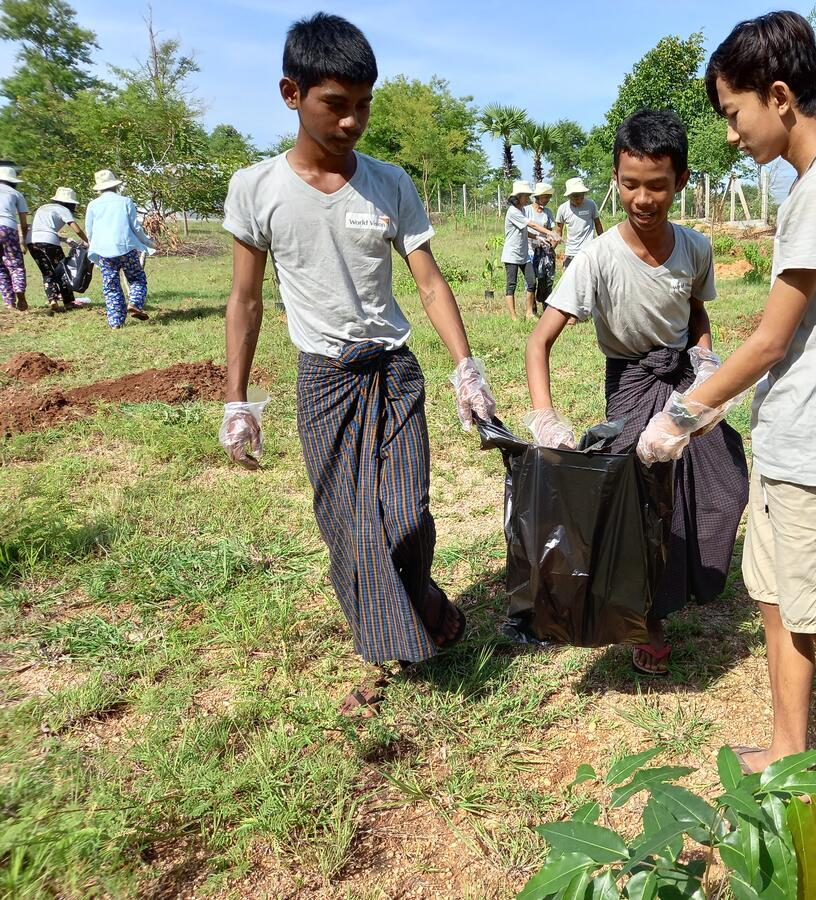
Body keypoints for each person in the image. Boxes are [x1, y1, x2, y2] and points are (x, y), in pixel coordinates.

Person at [638, 11, 816, 853]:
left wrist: (686, 409)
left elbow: (771, 338)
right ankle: (789, 748)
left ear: (779, 97)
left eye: (735, 112)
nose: (733, 133)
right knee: (779, 602)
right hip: (792, 432)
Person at [220, 13, 496, 718]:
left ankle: (423, 596)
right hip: (324, 380)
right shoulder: (257, 189)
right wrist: (237, 400)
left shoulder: (389, 183)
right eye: (335, 105)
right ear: (292, 93)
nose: (352, 122)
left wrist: (466, 366)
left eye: (363, 105)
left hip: (394, 372)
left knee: (403, 514)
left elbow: (429, 282)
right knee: (346, 524)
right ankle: (386, 648)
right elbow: (245, 300)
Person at [525, 109, 748, 677]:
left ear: (681, 182)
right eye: (629, 184)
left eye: (657, 186)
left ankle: (687, 583)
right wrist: (547, 420)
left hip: (684, 385)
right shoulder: (597, 259)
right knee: (636, 512)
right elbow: (539, 341)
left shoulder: (695, 248)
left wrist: (705, 363)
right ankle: (645, 624)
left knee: (723, 484)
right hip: (630, 388)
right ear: (615, 178)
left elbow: (695, 312)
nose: (642, 199)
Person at [85, 169, 155, 328]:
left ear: (99, 189)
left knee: (111, 286)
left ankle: (115, 322)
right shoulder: (125, 201)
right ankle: (135, 303)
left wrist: (93, 247)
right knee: (137, 278)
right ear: (115, 186)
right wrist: (148, 243)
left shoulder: (93, 205)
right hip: (126, 248)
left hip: (103, 252)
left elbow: (90, 230)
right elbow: (136, 227)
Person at [502, 180, 558, 320]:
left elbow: (526, 231)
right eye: (526, 195)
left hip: (524, 254)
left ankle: (529, 313)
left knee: (531, 282)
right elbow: (531, 224)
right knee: (511, 285)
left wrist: (539, 238)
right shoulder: (513, 211)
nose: (528, 198)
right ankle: (514, 317)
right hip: (512, 254)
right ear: (519, 196)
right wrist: (549, 233)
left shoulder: (521, 209)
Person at [28, 187, 89, 313]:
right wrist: (88, 241)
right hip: (49, 242)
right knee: (63, 271)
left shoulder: (43, 208)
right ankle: (69, 303)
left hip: (32, 241)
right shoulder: (64, 210)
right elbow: (77, 229)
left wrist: (63, 239)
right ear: (69, 203)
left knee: (47, 272)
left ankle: (52, 299)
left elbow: (42, 230)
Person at [555, 176, 604, 270]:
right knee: (569, 281)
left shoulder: (591, 204)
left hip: (588, 250)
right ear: (569, 196)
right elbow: (558, 230)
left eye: (581, 196)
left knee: (590, 279)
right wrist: (552, 247)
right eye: (576, 196)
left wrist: (603, 241)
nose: (579, 199)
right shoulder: (563, 209)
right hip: (571, 252)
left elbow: (597, 223)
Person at [0, 164, 29, 311]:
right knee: (16, 265)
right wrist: (23, 240)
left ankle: (9, 302)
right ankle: (20, 295)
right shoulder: (16, 194)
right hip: (8, 228)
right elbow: (23, 222)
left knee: (0, 268)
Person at [528, 182, 556, 310]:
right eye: (546, 197)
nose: (548, 200)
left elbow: (550, 230)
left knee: (546, 279)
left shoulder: (548, 212)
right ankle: (532, 307)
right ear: (538, 197)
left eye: (549, 197)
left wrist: (552, 243)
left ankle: (545, 304)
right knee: (531, 280)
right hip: (530, 249)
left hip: (544, 250)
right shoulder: (527, 211)